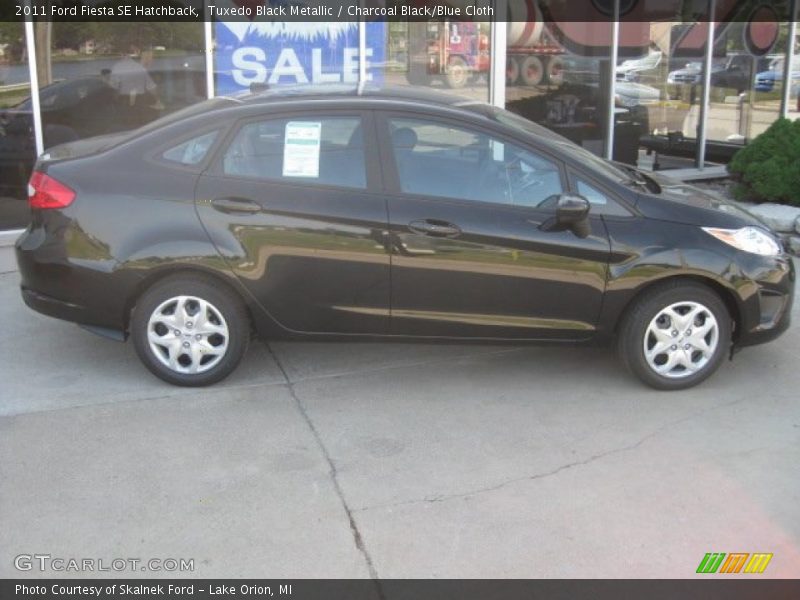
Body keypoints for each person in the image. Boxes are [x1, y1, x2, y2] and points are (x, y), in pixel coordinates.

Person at [109, 46, 158, 128]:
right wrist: (157, 100)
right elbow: (152, 87)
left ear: (122, 54)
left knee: (126, 124)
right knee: (140, 125)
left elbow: (113, 87)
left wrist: (113, 100)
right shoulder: (140, 67)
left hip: (125, 100)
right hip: (140, 100)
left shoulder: (117, 67)